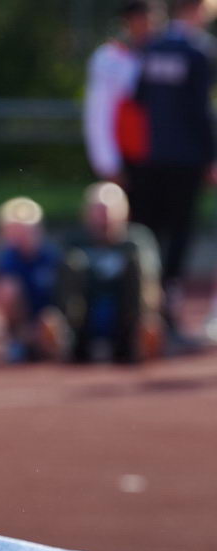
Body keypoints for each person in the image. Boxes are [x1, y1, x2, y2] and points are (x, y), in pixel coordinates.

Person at [128, 0, 217, 339]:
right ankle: (166, 310)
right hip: (187, 160)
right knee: (179, 236)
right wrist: (211, 157)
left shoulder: (152, 47)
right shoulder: (199, 51)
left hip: (151, 157)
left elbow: (139, 97)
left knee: (149, 232)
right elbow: (201, 110)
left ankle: (141, 307)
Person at [58, 182, 165, 363]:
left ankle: (137, 341)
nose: (105, 218)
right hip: (86, 315)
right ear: (87, 213)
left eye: (109, 211)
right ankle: (70, 342)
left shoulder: (137, 240)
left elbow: (152, 279)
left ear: (124, 212)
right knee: (71, 264)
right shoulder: (74, 240)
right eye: (99, 211)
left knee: (139, 267)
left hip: (124, 313)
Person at [83, 0, 163, 183]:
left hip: (164, 157)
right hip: (129, 155)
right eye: (139, 18)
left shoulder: (170, 55)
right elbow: (99, 112)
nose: (147, 25)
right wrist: (108, 163)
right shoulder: (110, 58)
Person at [0, 197, 62, 363]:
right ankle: (19, 341)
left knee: (50, 324)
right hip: (27, 320)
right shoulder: (9, 258)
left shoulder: (52, 257)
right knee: (6, 289)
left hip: (50, 318)